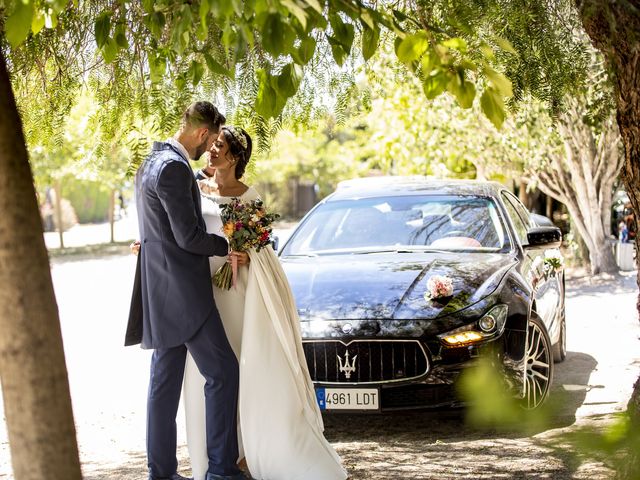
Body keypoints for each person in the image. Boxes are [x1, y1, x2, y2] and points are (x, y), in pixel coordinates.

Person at [182, 126, 348, 480]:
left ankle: (246, 450)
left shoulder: (248, 195)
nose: (212, 151)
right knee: (211, 370)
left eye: (220, 147)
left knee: (243, 363)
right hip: (203, 284)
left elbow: (260, 246)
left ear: (235, 157)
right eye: (212, 145)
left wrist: (245, 255)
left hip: (236, 288)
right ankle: (217, 453)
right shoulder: (195, 187)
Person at [128, 102, 251, 480]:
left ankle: (161, 473)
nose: (210, 148)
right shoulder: (173, 168)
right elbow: (188, 236)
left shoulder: (151, 162)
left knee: (163, 385)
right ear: (202, 134)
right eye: (211, 140)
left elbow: (164, 227)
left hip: (159, 291)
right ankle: (220, 471)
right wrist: (225, 247)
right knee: (224, 372)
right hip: (185, 294)